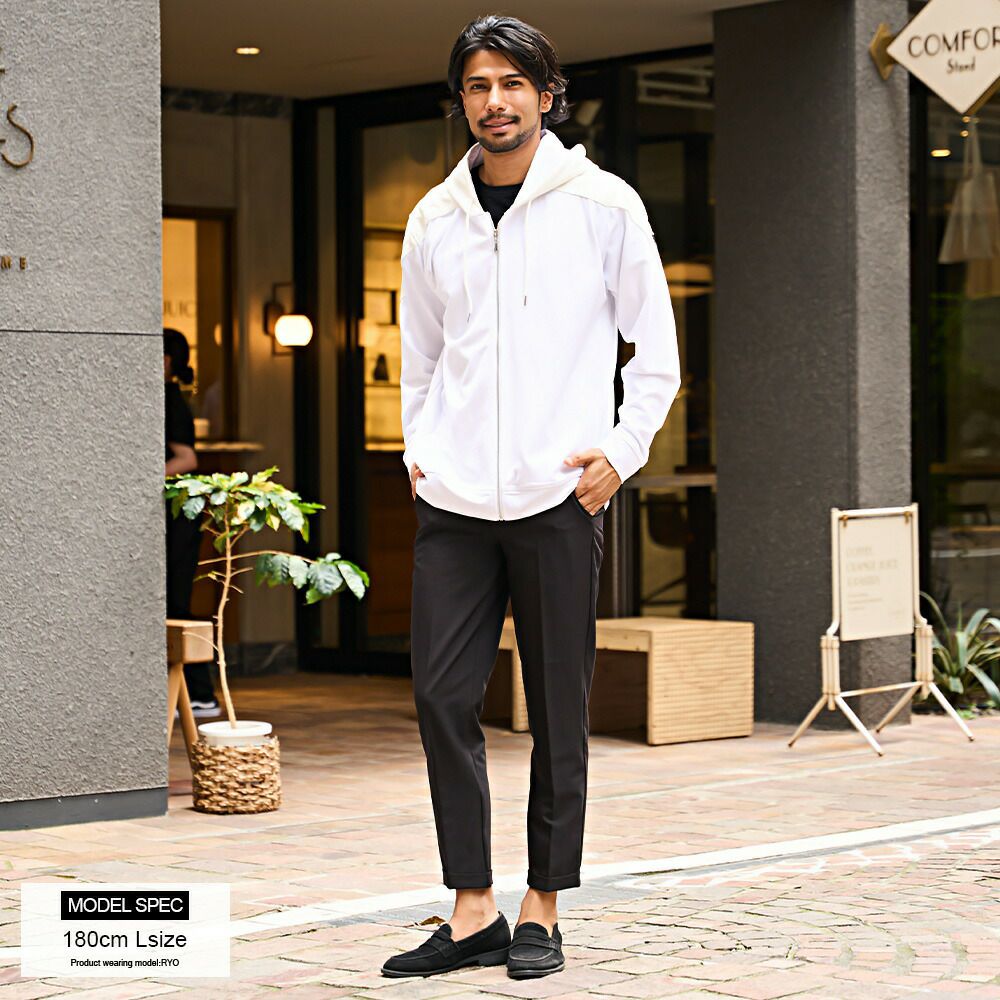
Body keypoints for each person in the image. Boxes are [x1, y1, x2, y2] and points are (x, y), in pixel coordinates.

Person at [381, 14, 681, 982]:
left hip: (559, 498)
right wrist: (420, 453)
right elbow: (421, 359)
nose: (495, 101)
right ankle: (472, 907)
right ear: (461, 101)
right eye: (478, 85)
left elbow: (656, 356)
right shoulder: (434, 219)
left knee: (556, 708)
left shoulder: (603, 204)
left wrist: (621, 453)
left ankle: (543, 904)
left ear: (547, 96)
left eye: (513, 83)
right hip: (456, 502)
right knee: (441, 696)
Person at [164, 328, 220, 718]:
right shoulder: (168, 397)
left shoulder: (169, 400)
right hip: (176, 516)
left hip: (179, 517)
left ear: (167, 361)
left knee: (174, 603)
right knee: (172, 601)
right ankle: (196, 693)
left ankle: (201, 693)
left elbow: (187, 459)